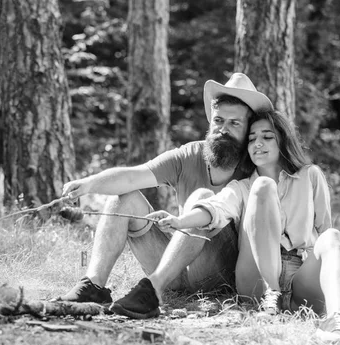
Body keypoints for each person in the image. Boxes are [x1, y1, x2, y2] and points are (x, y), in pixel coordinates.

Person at [55, 73, 273, 319]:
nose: (223, 129)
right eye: (219, 121)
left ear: (248, 130)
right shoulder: (190, 155)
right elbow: (133, 176)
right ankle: (93, 287)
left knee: (202, 200)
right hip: (174, 269)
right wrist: (87, 184)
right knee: (122, 196)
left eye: (234, 124)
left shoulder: (257, 166)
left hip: (220, 273)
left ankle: (153, 289)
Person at [147, 110, 340, 344]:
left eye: (267, 137)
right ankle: (271, 295)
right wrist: (180, 221)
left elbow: (324, 232)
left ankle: (337, 324)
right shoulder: (243, 187)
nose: (258, 143)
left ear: (282, 140)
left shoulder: (310, 176)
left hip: (299, 277)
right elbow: (216, 208)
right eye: (252, 138)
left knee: (333, 236)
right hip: (255, 280)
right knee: (263, 185)